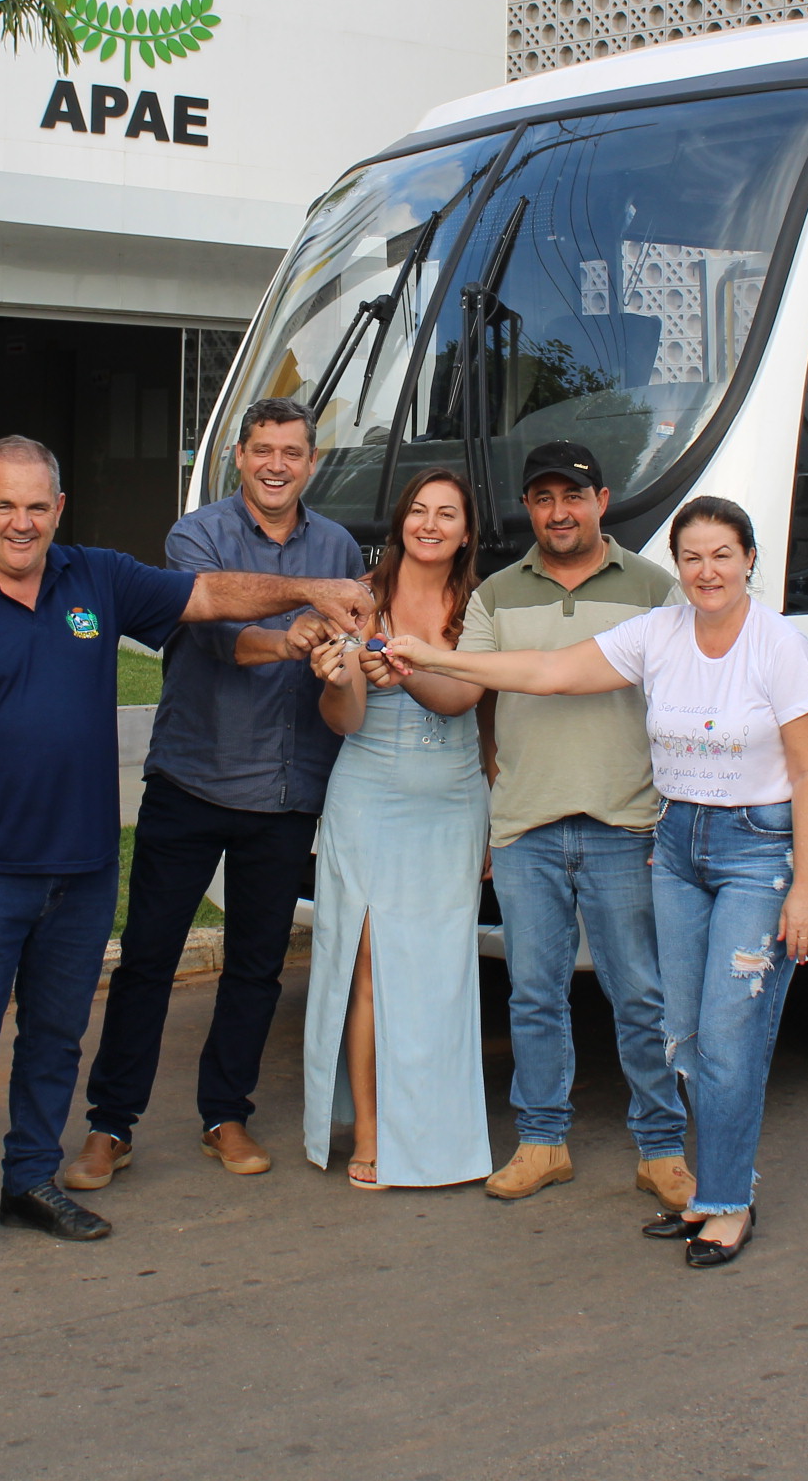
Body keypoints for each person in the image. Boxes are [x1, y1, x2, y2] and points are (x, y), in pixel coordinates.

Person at [0, 435, 374, 1281]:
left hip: (81, 867)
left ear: (59, 510)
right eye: (5, 505)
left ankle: (30, 1181)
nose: (22, 522)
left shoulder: (95, 579)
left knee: (55, 1037)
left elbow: (210, 595)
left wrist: (305, 588)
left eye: (38, 506)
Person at [391, 496, 808, 1265]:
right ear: (678, 566)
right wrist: (434, 658)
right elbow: (548, 671)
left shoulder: (780, 646)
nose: (706, 571)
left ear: (750, 559)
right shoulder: (659, 632)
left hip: (755, 853)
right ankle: (712, 1190)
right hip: (677, 846)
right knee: (685, 1030)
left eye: (722, 555)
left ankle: (727, 1201)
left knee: (728, 1034)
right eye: (692, 557)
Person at [65, 398, 362, 1192]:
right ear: (239, 455)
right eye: (263, 449)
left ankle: (225, 1114)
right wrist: (293, 628)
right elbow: (213, 626)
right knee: (147, 959)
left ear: (312, 461)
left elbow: (346, 642)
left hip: (288, 789)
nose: (276, 465)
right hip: (192, 779)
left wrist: (332, 642)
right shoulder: (194, 534)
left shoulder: (337, 545)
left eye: (292, 452)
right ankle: (110, 1124)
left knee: (256, 968)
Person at [456, 441, 689, 1211]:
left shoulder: (655, 587)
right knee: (533, 995)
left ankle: (662, 1149)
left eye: (573, 497)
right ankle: (542, 1142)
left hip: (626, 823)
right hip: (526, 827)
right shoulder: (495, 595)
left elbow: (683, 698)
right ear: (528, 507)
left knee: (641, 996)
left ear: (601, 501)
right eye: (544, 498)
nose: (559, 512)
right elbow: (473, 691)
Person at [299, 468, 490, 1190]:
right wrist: (338, 679)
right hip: (368, 798)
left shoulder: (480, 604)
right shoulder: (359, 600)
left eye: (447, 514)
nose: (430, 524)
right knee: (370, 967)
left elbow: (466, 699)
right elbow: (345, 720)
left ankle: (436, 1134)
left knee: (441, 973)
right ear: (400, 521)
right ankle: (372, 1132)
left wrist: (404, 670)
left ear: (466, 532)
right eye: (419, 511)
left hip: (454, 801)